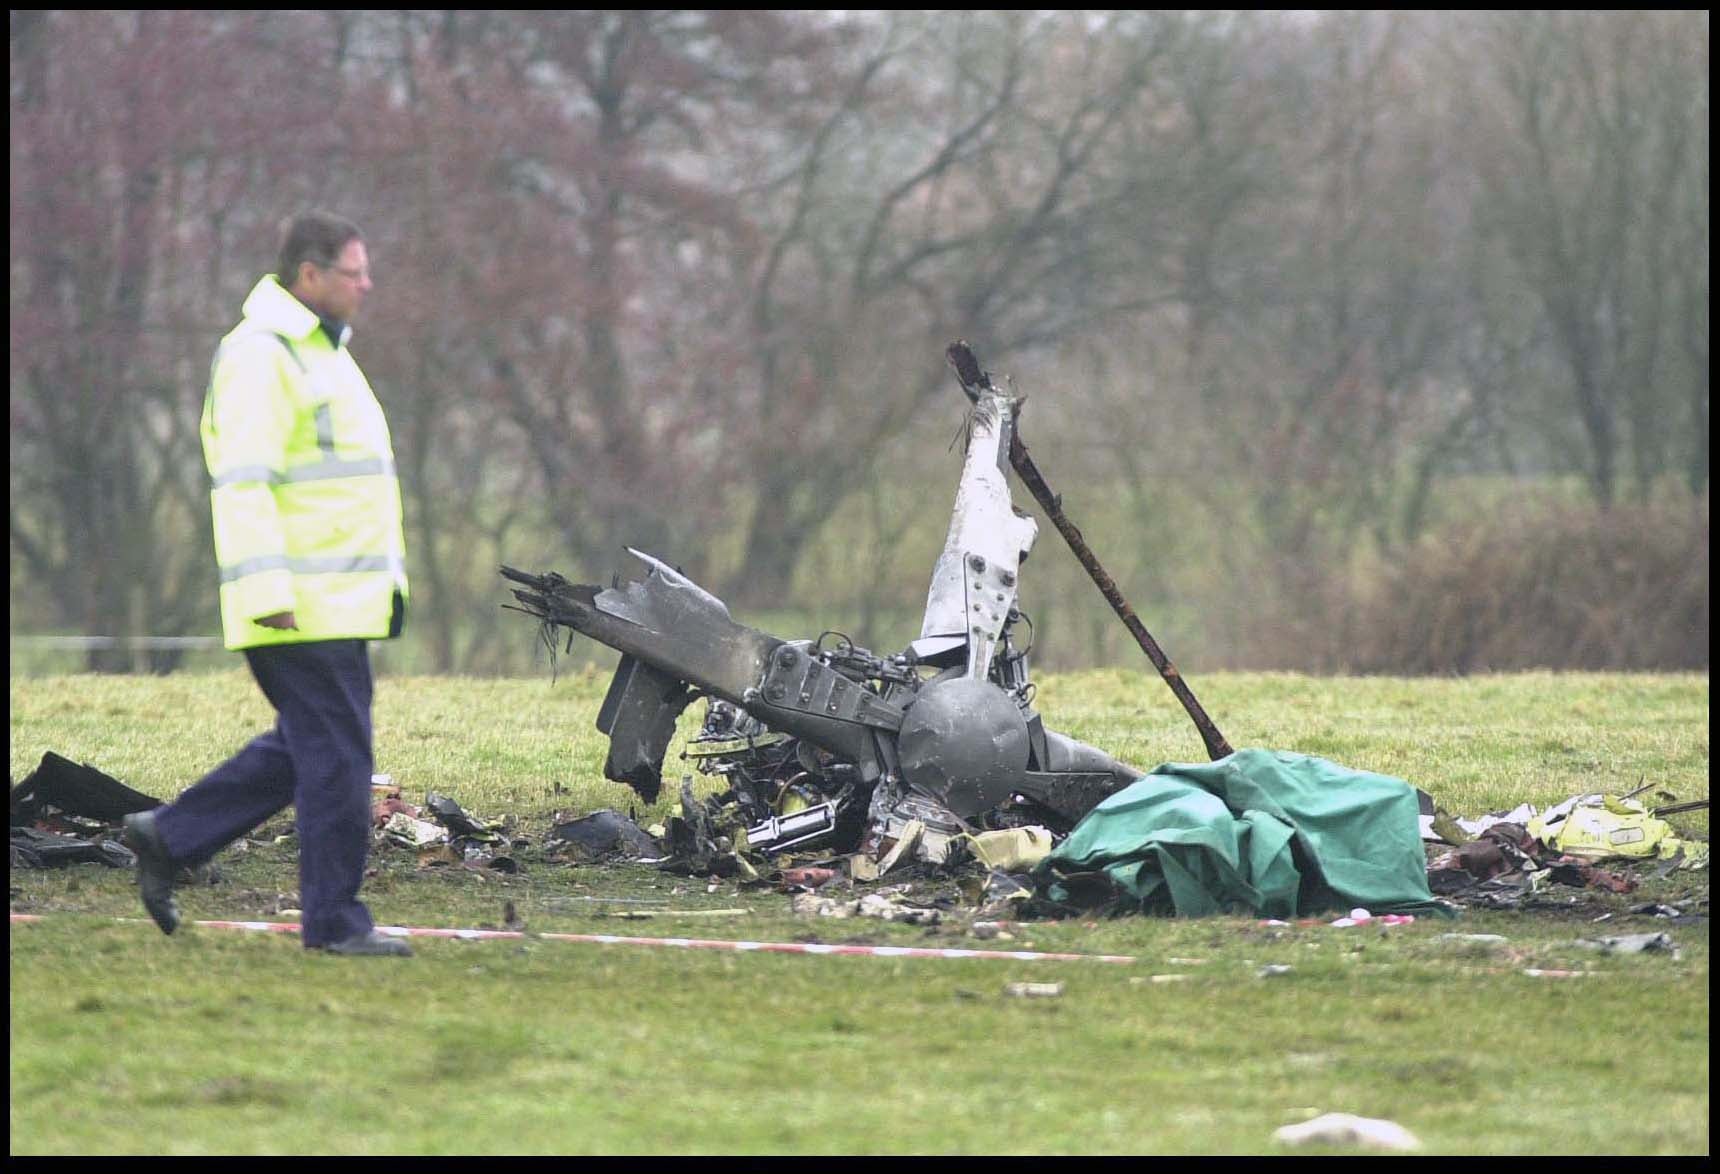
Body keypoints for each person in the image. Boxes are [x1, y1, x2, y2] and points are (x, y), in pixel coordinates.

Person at [123, 212, 412, 957]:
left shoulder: (320, 352)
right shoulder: (261, 354)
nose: (367, 283)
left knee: (308, 750)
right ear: (309, 274)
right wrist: (267, 593)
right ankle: (335, 925)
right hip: (297, 610)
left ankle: (169, 837)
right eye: (355, 271)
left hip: (334, 604)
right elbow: (243, 484)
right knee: (339, 763)